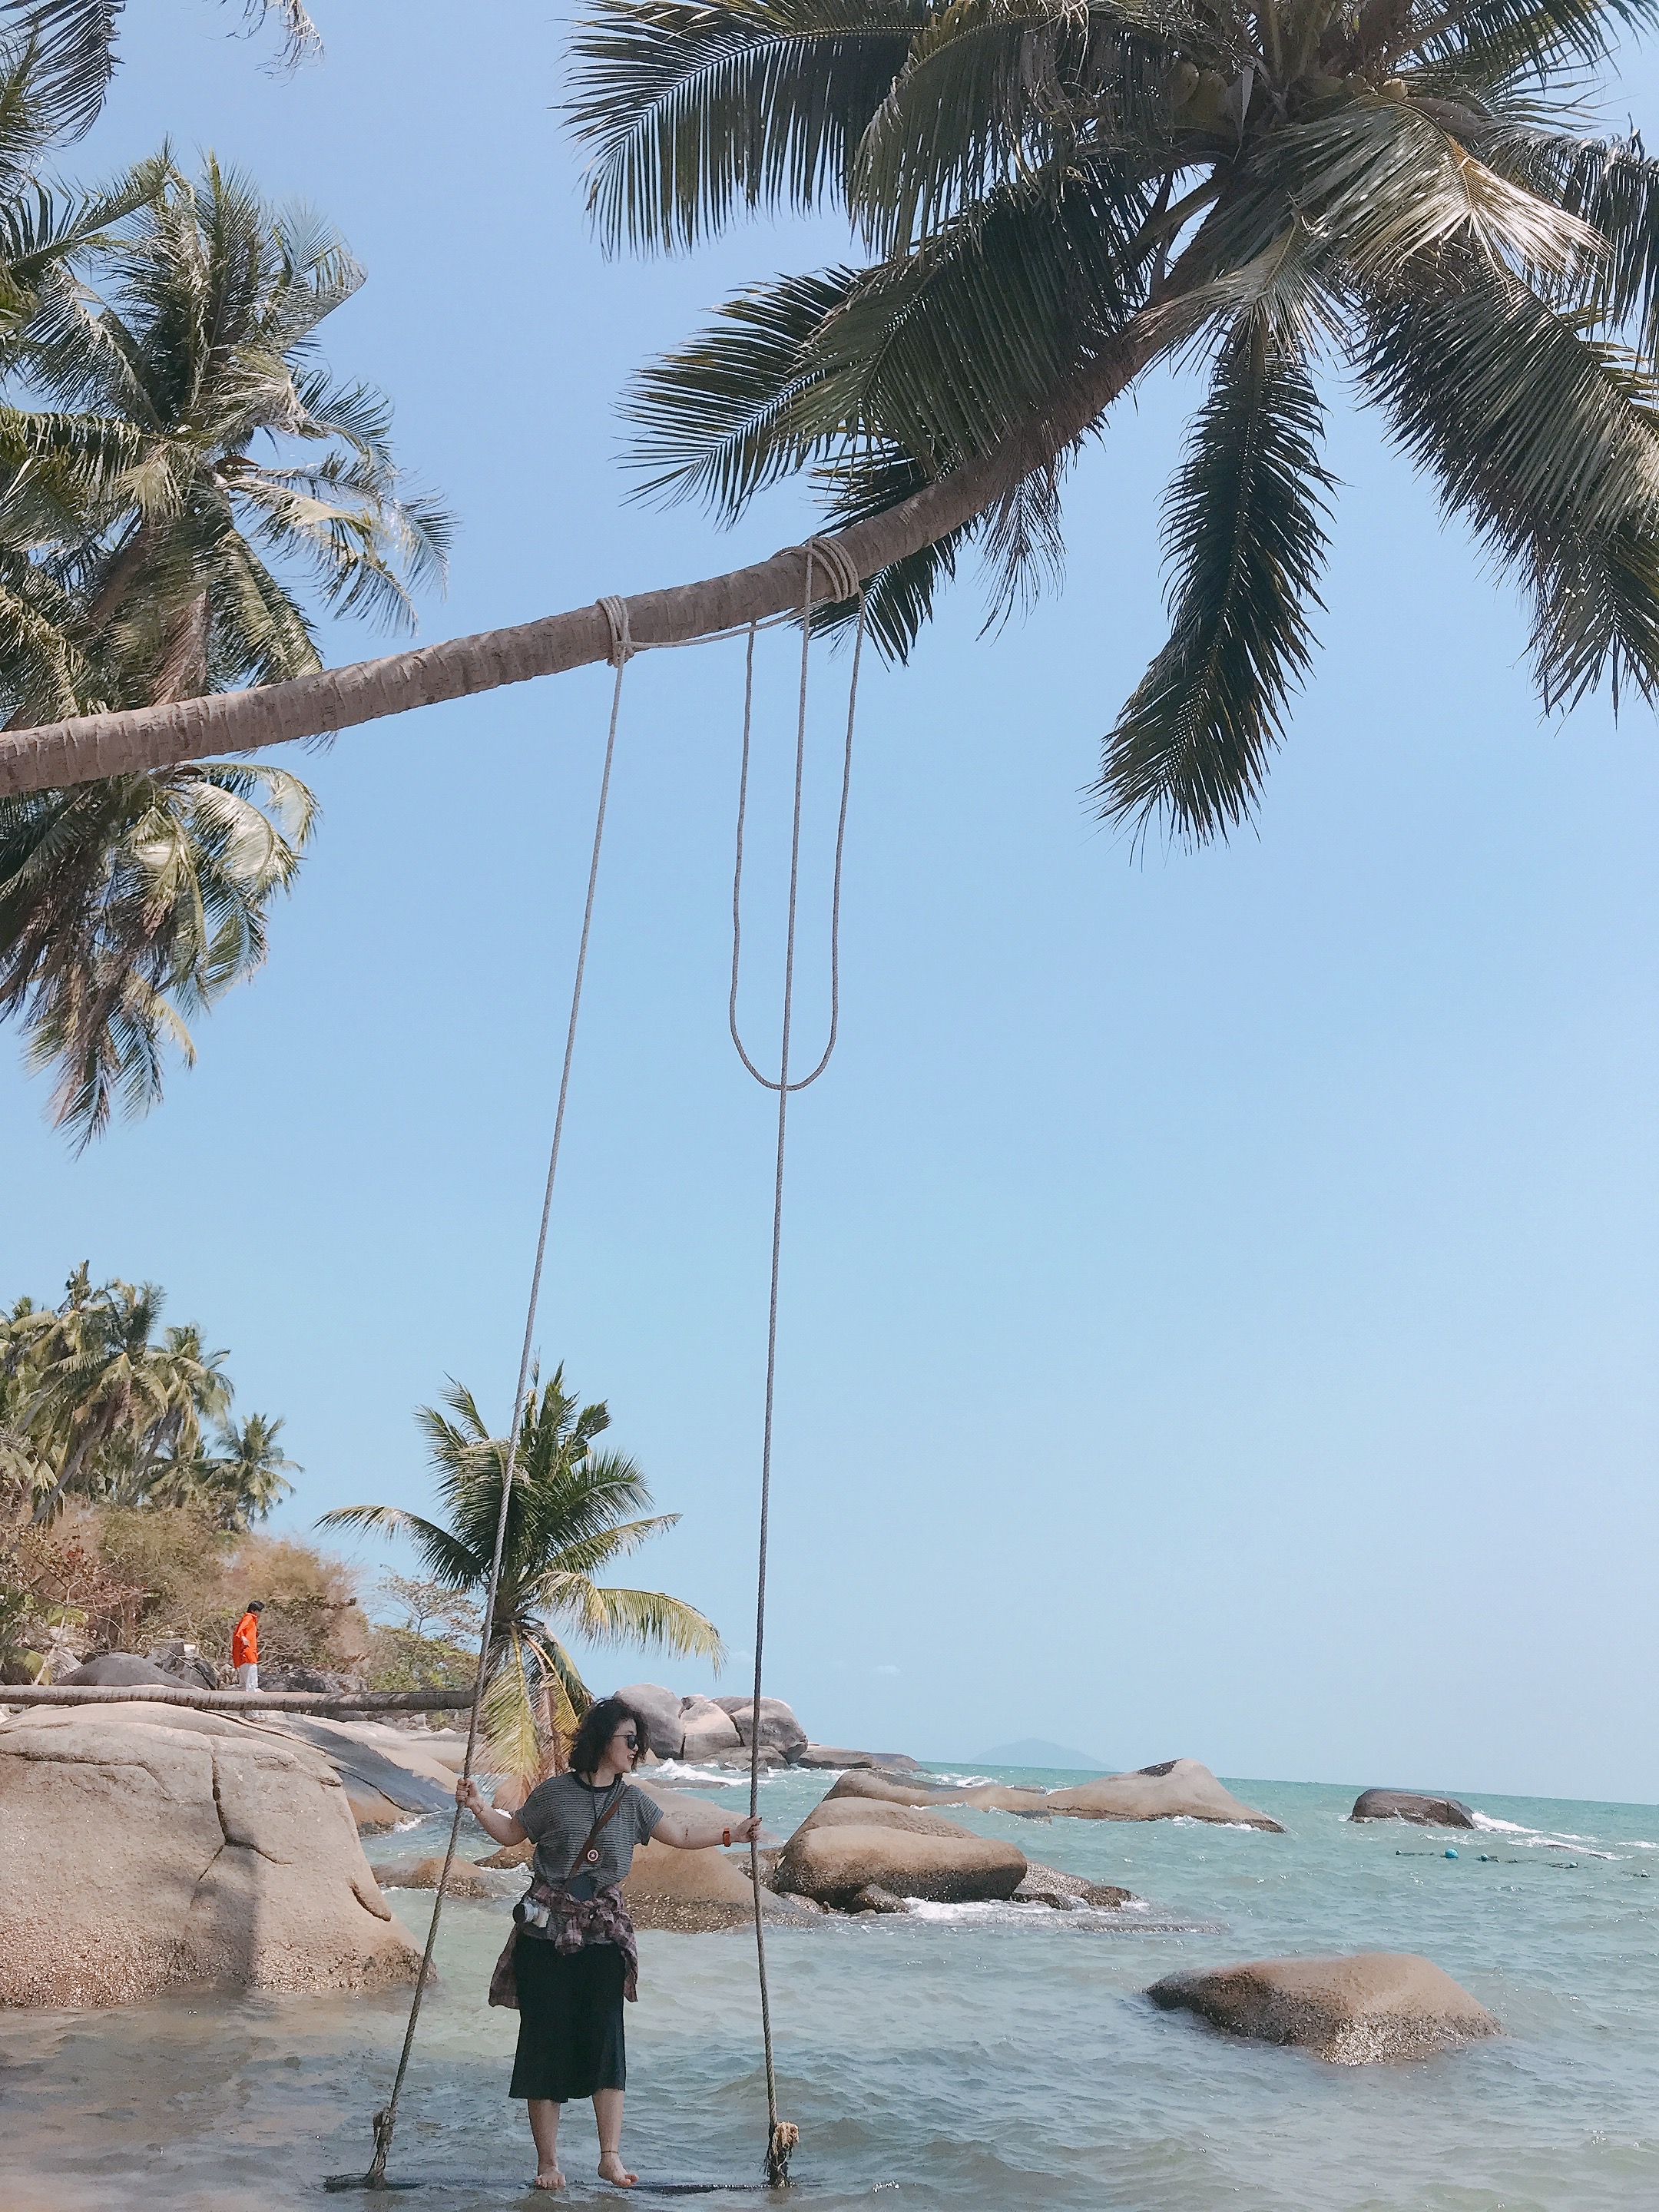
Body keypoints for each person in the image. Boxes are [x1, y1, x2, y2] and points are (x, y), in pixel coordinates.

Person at [457, 1694, 761, 2192]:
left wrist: (732, 1833)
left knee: (607, 2042)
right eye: (629, 1739)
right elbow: (511, 1833)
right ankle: (548, 2163)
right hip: (546, 1936)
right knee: (543, 2044)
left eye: (639, 1741)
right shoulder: (554, 1794)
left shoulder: (634, 1802)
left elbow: (681, 1834)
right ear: (602, 1740)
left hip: (603, 1937)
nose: (636, 1748)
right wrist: (476, 1806)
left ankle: (609, 2159)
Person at [230, 1601, 263, 1689]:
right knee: (251, 1681)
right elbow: (239, 1631)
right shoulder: (249, 1618)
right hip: (247, 1653)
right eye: (259, 1611)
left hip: (246, 1654)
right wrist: (243, 1638)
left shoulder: (251, 1619)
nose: (260, 1613)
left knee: (245, 1683)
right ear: (253, 1611)